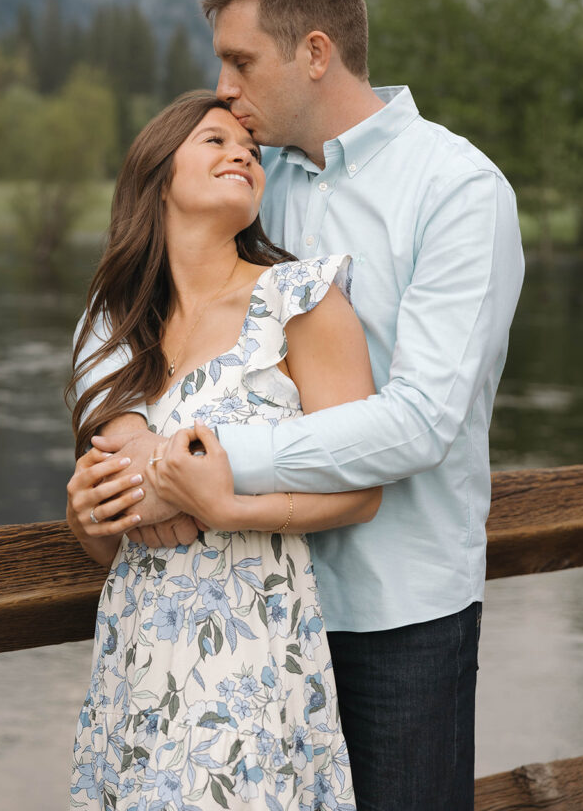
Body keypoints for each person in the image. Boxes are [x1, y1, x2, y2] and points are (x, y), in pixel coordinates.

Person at [77, 0, 525, 811]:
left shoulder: (457, 190)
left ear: (314, 53)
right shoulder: (248, 177)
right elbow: (121, 308)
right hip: (241, 621)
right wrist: (131, 447)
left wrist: (204, 465)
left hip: (394, 611)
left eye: (241, 62)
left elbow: (420, 422)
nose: (227, 90)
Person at [66, 89, 381, 810]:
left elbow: (362, 490)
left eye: (248, 147)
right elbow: (111, 541)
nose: (241, 151)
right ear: (156, 174)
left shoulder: (301, 300)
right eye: (212, 141)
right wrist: (85, 514)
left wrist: (227, 505)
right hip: (136, 662)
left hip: (249, 662)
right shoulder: (116, 330)